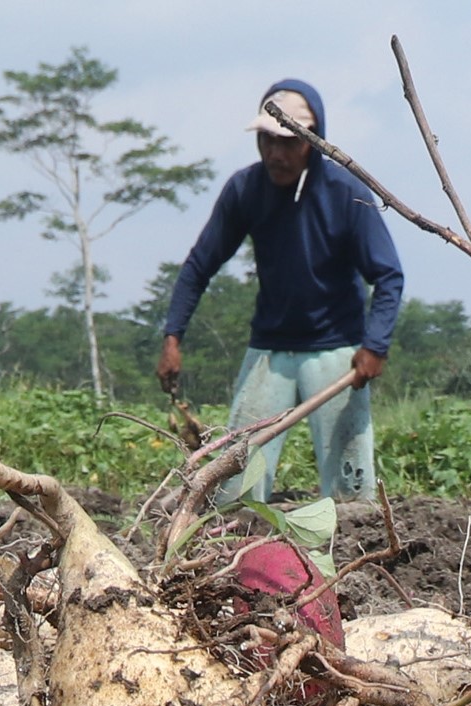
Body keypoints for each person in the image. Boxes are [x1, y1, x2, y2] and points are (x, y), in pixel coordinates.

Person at [156, 80, 404, 506]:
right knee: (235, 484)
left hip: (336, 352)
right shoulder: (246, 190)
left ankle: (353, 562)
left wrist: (374, 345)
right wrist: (173, 337)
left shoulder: (346, 194)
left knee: (351, 492)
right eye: (267, 140)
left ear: (313, 140)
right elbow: (200, 265)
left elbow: (388, 275)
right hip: (270, 351)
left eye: (289, 142)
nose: (276, 153)